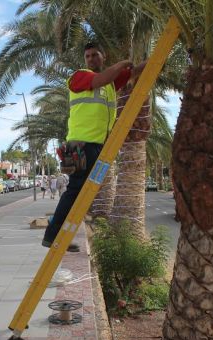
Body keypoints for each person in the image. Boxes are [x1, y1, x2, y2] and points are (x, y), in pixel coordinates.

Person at [42, 42, 145, 252]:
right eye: (87, 56)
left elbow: (132, 73)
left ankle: (59, 235)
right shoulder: (80, 76)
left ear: (103, 56)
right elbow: (104, 77)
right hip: (79, 146)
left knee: (80, 195)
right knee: (74, 191)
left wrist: (154, 63)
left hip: (94, 146)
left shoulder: (108, 86)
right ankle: (52, 234)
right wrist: (123, 62)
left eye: (94, 55)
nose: (90, 59)